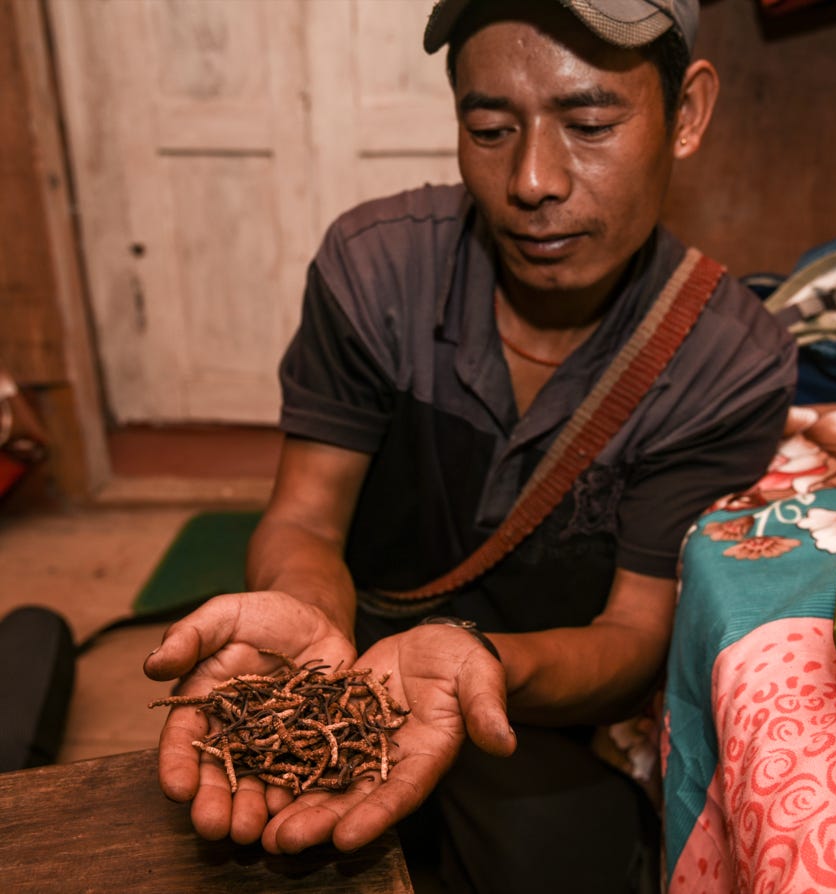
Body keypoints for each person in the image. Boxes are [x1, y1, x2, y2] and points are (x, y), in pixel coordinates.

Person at [144, 1, 796, 891]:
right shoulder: (375, 269)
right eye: (488, 127)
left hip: (541, 692)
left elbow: (633, 635)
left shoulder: (729, 361)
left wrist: (478, 666)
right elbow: (305, 519)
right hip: (355, 634)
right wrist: (305, 620)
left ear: (686, 114)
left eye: (591, 123)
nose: (531, 180)